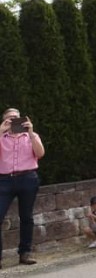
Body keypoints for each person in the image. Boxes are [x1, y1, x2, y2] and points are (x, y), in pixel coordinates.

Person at [0, 108, 44, 266]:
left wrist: (31, 132)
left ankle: (25, 253)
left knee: (26, 217)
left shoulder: (30, 136)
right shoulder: (1, 137)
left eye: (16, 118)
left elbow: (40, 153)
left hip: (27, 178)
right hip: (4, 180)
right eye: (9, 118)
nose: (13, 120)